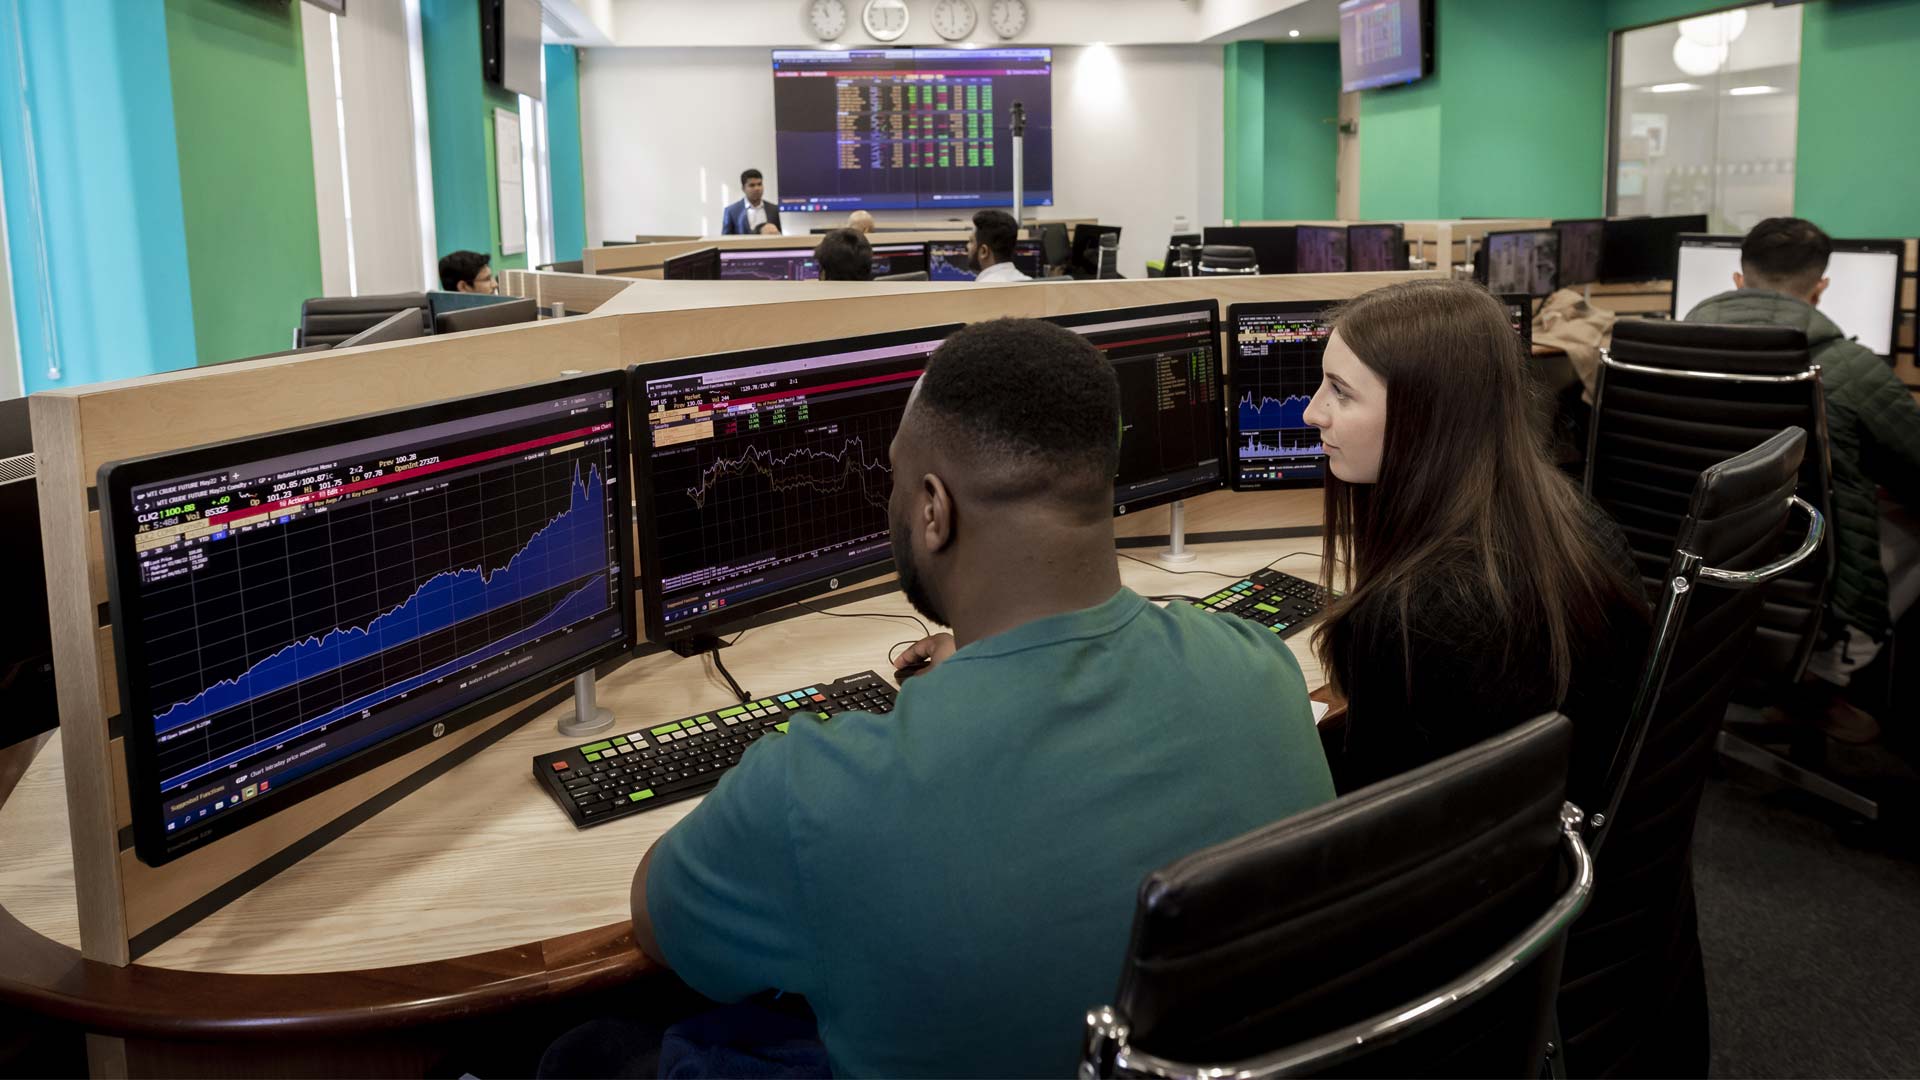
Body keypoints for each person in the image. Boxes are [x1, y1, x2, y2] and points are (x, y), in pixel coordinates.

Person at [625, 319, 1333, 1077]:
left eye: (894, 478)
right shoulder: (1258, 667)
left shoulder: (812, 790)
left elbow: (655, 923)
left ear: (933, 508)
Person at [1304, 278, 1650, 801]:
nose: (1313, 412)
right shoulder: (1575, 516)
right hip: (1569, 841)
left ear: (1426, 416)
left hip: (1481, 870)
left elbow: (1379, 832)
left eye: (1341, 391)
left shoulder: (1415, 614)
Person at [1684, 216, 1920, 740]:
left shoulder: (1663, 355)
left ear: (1738, 282)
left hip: (1685, 575)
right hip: (1795, 583)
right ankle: (1819, 681)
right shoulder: (1849, 370)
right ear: (1821, 288)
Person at [966, 208, 1029, 283]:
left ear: (984, 251)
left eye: (971, 241)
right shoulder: (1031, 283)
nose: (967, 246)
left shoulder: (978, 289)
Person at [721, 168, 782, 235]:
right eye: (752, 185)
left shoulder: (774, 209)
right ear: (743, 188)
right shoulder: (731, 211)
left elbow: (779, 236)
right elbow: (726, 239)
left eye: (759, 184)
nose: (757, 188)